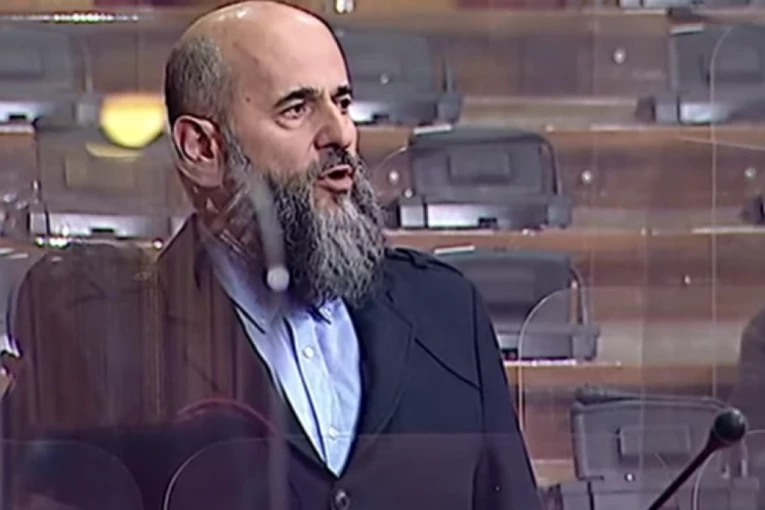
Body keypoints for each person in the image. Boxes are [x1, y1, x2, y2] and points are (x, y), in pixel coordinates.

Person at [3, 2, 542, 509]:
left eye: (343, 102)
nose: (340, 133)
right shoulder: (106, 345)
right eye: (296, 109)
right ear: (203, 148)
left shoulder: (447, 313)